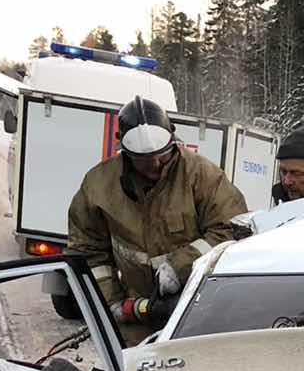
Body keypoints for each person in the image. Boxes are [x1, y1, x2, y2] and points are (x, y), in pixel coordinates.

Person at [68, 96, 248, 345]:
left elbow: (231, 230)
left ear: (172, 141)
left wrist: (180, 266)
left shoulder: (202, 176)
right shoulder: (99, 186)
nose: (154, 164)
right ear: (126, 153)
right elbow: (87, 252)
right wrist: (113, 303)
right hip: (137, 318)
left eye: (161, 156)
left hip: (195, 310)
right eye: (143, 159)